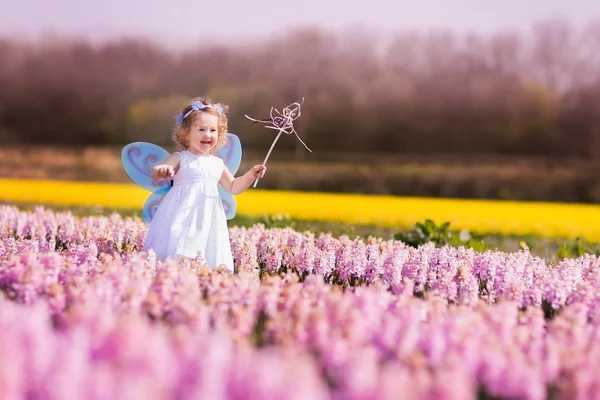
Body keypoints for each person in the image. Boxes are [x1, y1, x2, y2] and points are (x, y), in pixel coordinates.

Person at [143, 97, 266, 272]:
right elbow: (156, 172)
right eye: (201, 129)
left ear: (220, 134)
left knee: (205, 252)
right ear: (186, 133)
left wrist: (250, 175)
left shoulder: (217, 163)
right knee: (180, 247)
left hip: (208, 218)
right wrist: (162, 169)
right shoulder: (181, 157)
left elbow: (233, 187)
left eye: (213, 130)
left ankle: (202, 281)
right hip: (182, 215)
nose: (208, 134)